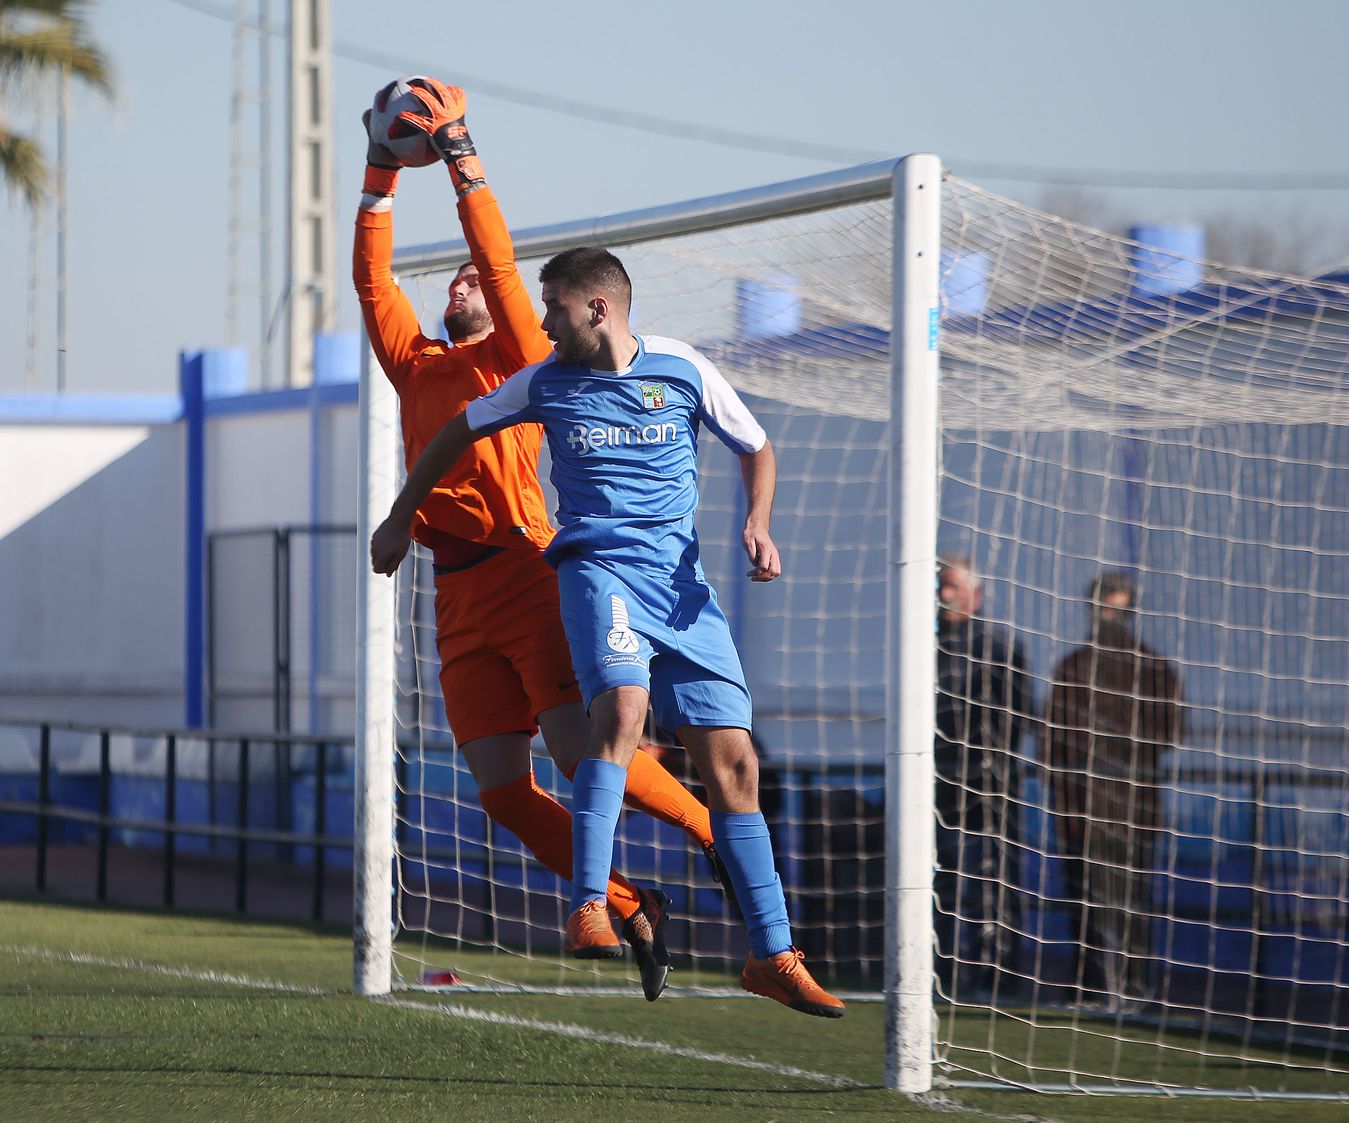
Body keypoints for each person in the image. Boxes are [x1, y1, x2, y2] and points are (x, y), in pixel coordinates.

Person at [370, 245, 845, 1018]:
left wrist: (759, 523)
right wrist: (400, 516)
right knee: (621, 711)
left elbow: (756, 445)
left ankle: (772, 954)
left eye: (554, 307)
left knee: (736, 767)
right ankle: (592, 903)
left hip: (682, 588)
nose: (544, 323)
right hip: (598, 574)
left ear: (599, 308)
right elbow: (455, 432)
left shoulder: (682, 368)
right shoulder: (543, 382)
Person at [353, 78, 730, 1001]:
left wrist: (460, 160)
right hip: (455, 594)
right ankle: (632, 903)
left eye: (473, 281)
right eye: (452, 280)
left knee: (578, 752)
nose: (462, 283)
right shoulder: (413, 363)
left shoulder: (519, 359)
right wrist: (377, 174)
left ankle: (716, 827)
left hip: (527, 575)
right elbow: (371, 278)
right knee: (500, 791)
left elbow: (498, 258)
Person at [1042, 570, 1182, 1010]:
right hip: (1081, 810)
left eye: (1118, 609)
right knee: (1084, 902)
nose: (1110, 618)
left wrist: (1114, 749)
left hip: (1132, 810)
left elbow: (1170, 731)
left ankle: (1134, 989)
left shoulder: (1153, 668)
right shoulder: (1073, 668)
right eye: (1104, 608)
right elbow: (1051, 740)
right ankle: (1089, 987)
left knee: (1132, 903)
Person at [934, 555, 1033, 1000]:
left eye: (952, 586)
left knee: (996, 880)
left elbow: (1021, 713)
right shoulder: (927, 645)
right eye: (941, 586)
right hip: (939, 783)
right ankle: (939, 968)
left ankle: (999, 973)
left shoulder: (999, 647)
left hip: (992, 784)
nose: (944, 595)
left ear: (975, 594)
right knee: (941, 877)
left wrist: (988, 759)